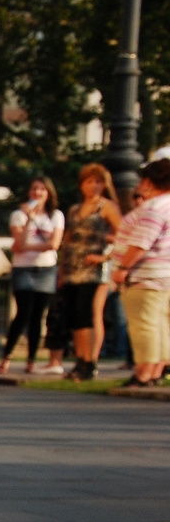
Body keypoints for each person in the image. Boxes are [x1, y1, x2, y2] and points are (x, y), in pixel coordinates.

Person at [57, 164, 122, 381]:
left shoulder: (107, 207)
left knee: (89, 313)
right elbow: (67, 240)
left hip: (95, 268)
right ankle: (80, 358)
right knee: (75, 315)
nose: (93, 186)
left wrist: (104, 255)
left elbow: (123, 236)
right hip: (74, 267)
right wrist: (61, 270)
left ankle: (90, 360)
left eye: (98, 182)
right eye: (89, 181)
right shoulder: (75, 210)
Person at [109, 156, 170, 386]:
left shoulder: (153, 208)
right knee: (160, 325)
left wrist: (124, 267)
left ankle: (143, 372)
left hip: (146, 274)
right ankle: (156, 370)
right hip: (165, 274)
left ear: (148, 182)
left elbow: (142, 241)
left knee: (144, 324)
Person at [0, 177, 65, 375]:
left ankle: (31, 359)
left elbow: (54, 244)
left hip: (46, 268)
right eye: (34, 188)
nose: (38, 192)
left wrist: (29, 247)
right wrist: (30, 220)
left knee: (37, 317)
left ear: (48, 193)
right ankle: (6, 357)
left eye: (42, 189)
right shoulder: (18, 215)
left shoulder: (56, 216)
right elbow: (19, 242)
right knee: (23, 313)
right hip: (23, 268)